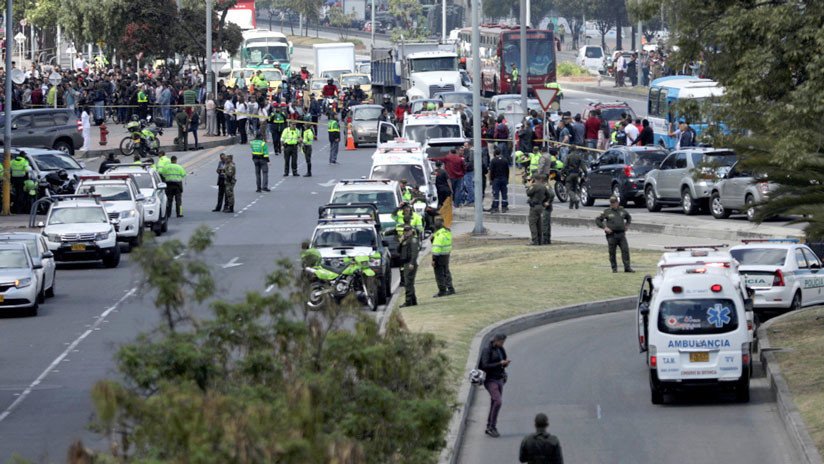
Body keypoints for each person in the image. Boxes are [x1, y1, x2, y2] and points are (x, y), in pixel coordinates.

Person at [479, 333, 509, 438]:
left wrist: (505, 364)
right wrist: (499, 363)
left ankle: (490, 427)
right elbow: (484, 365)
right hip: (490, 380)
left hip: (500, 379)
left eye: (503, 342)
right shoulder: (487, 350)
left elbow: (503, 361)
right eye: (501, 342)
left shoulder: (501, 349)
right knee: (498, 401)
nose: (502, 344)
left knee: (494, 402)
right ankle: (492, 427)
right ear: (496, 340)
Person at [596, 195, 634, 273]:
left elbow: (628, 217)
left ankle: (627, 267)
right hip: (611, 235)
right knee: (612, 252)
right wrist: (604, 227)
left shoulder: (622, 210)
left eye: (614, 202)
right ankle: (614, 268)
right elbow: (598, 220)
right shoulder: (607, 211)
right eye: (611, 203)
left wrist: (627, 225)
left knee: (625, 250)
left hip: (621, 234)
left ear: (617, 202)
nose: (612, 204)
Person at [431, 216, 454, 297]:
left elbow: (436, 249)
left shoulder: (438, 235)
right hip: (446, 255)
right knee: (446, 272)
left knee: (439, 275)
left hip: (439, 257)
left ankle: (442, 291)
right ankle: (450, 288)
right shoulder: (447, 232)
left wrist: (434, 260)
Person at [398, 224, 421, 308]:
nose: (407, 232)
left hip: (410, 263)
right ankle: (413, 301)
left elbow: (414, 253)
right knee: (409, 283)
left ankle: (408, 301)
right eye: (405, 231)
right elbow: (398, 251)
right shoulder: (405, 240)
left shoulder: (413, 240)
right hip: (405, 263)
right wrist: (400, 242)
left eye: (408, 231)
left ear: (411, 231)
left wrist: (412, 263)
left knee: (408, 283)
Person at [526, 176, 549, 245]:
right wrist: (544, 202)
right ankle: (540, 240)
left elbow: (528, 193)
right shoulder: (543, 187)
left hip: (534, 207)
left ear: (534, 179)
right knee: (539, 224)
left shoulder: (534, 186)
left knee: (532, 223)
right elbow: (548, 195)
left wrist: (529, 186)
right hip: (540, 206)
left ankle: (534, 240)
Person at [487, 148, 510, 213]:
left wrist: (490, 180)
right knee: (504, 193)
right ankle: (504, 207)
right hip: (504, 179)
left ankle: (495, 207)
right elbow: (507, 171)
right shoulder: (505, 160)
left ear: (495, 153)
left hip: (496, 179)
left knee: (495, 193)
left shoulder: (493, 160)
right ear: (500, 153)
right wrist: (507, 179)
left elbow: (490, 171)